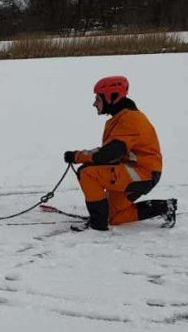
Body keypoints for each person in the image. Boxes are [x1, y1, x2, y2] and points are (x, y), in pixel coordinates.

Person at [64, 76, 177, 231]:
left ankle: (97, 225)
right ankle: (164, 207)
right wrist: (80, 156)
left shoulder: (130, 119)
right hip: (138, 171)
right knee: (114, 217)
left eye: (98, 99)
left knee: (87, 172)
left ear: (112, 97)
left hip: (140, 173)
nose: (94, 104)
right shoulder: (123, 117)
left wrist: (77, 157)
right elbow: (108, 153)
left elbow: (106, 155)